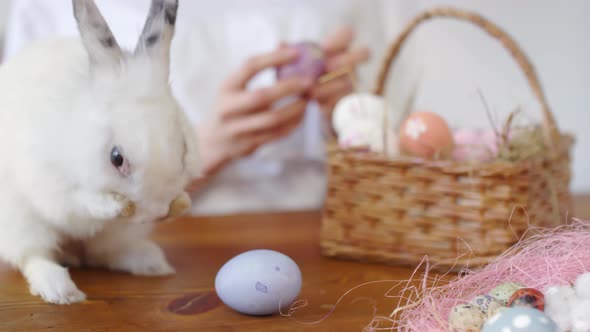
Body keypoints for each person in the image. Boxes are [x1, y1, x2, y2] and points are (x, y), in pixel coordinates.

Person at [3, 0, 390, 215]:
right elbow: (28, 187)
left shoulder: (342, 8)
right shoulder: (45, 11)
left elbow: (388, 171)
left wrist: (347, 112)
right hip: (160, 244)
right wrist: (196, 153)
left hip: (315, 229)